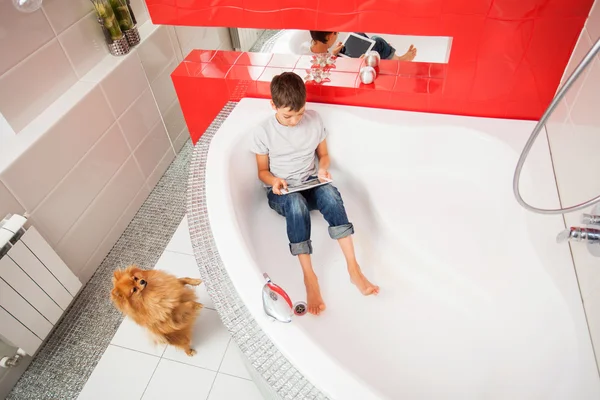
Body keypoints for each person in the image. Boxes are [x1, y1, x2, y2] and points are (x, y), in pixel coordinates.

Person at [250, 72, 380, 316]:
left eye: (299, 113)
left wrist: (322, 169)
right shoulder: (262, 132)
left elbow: (324, 155)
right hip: (283, 193)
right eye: (288, 115)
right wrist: (275, 181)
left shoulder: (314, 119)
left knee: (330, 194)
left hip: (310, 183)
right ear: (273, 106)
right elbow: (261, 172)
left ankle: (354, 269)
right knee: (297, 204)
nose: (294, 121)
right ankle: (309, 277)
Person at [301, 31, 417, 61]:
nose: (337, 35)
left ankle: (384, 54)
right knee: (378, 42)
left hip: (335, 59)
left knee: (358, 35)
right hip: (346, 66)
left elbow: (324, 61)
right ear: (329, 37)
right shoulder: (315, 60)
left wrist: (333, 54)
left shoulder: (305, 48)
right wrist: (357, 65)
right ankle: (399, 60)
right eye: (336, 33)